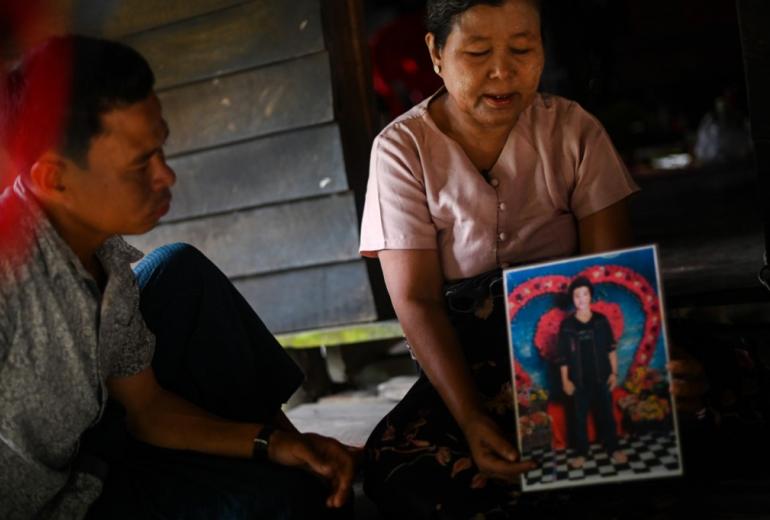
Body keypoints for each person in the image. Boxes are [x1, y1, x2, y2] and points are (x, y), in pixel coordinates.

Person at [358, 0, 704, 517]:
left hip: (578, 351)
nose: (504, 71)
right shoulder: (401, 150)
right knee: (394, 466)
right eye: (478, 52)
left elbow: (612, 282)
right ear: (435, 53)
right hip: (470, 367)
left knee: (708, 387)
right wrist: (473, 418)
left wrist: (642, 373)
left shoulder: (573, 131)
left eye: (523, 48)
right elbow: (417, 301)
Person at [0, 35, 355, 519]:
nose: (166, 175)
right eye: (139, 163)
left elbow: (147, 408)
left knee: (178, 269)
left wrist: (272, 445)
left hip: (90, 460)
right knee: (278, 505)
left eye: (160, 149)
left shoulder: (104, 258)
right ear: (53, 178)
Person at [556, 277, 627, 469]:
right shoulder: (567, 326)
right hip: (578, 381)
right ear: (572, 299)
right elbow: (562, 357)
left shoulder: (601, 321)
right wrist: (565, 381)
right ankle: (581, 452)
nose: (581, 299)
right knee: (578, 419)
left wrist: (614, 374)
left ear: (590, 297)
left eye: (584, 294)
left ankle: (613, 448)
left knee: (607, 415)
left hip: (602, 378)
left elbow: (611, 350)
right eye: (576, 295)